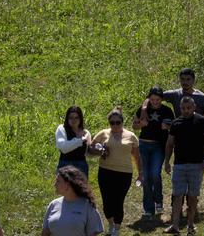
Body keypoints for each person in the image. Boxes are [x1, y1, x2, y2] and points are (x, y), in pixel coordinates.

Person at [163, 97, 204, 236]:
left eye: (189, 108)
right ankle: (175, 226)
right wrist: (167, 161)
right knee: (177, 195)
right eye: (183, 108)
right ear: (180, 108)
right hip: (179, 165)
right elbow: (169, 144)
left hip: (196, 165)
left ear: (194, 107)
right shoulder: (176, 123)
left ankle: (190, 226)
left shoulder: (202, 121)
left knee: (192, 196)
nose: (186, 111)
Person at [89, 107, 141, 236]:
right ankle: (111, 224)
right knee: (107, 201)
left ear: (122, 122)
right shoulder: (103, 133)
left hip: (124, 173)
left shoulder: (131, 136)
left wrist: (141, 173)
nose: (115, 125)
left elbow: (136, 157)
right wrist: (99, 150)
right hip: (105, 171)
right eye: (112, 123)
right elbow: (90, 148)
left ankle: (116, 229)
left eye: (118, 122)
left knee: (118, 201)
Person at [132, 87, 175, 219]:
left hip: (159, 146)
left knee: (155, 174)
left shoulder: (167, 110)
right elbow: (134, 125)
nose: (155, 102)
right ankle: (148, 208)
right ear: (149, 99)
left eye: (157, 99)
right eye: (152, 99)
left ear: (162, 99)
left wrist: (167, 127)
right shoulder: (143, 109)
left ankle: (159, 201)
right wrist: (141, 125)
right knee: (145, 177)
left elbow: (173, 127)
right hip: (143, 144)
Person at [42, 166, 104, 236]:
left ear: (68, 185)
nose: (54, 184)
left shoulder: (88, 206)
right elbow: (45, 231)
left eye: (58, 181)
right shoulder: (53, 204)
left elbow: (92, 233)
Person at [55, 106, 92, 177]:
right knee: (63, 188)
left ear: (80, 119)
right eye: (70, 117)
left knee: (81, 188)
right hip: (65, 166)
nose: (73, 120)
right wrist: (80, 140)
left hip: (81, 167)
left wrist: (99, 151)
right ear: (67, 118)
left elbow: (88, 153)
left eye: (76, 117)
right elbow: (63, 148)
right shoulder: (61, 129)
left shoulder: (85, 132)